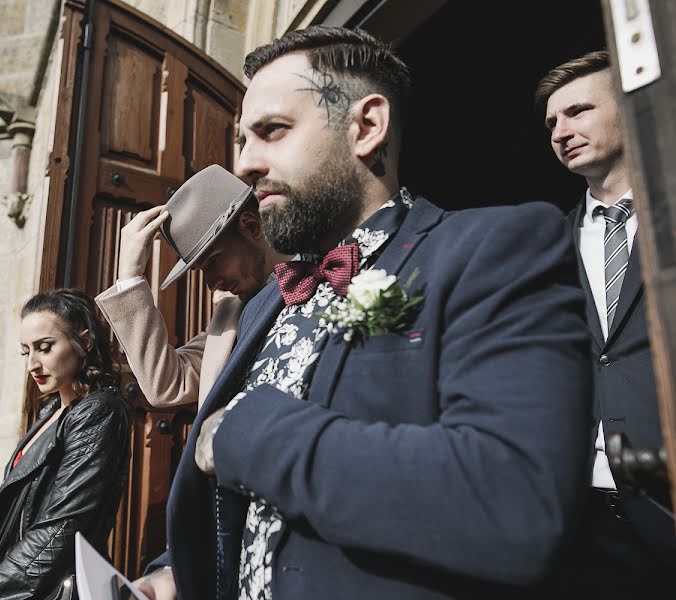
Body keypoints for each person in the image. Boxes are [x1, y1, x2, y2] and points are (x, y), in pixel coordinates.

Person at [136, 26, 592, 600]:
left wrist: (246, 434)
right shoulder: (266, 303)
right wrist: (176, 571)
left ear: (367, 127)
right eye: (241, 140)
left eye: (272, 131)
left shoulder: (493, 250)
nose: (245, 164)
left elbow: (515, 499)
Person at [535, 50, 676, 594]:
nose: (560, 131)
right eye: (551, 123)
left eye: (577, 112)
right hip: (582, 512)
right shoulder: (546, 242)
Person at [0, 289, 130, 600]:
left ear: (84, 342)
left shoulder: (98, 412)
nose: (32, 364)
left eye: (44, 348)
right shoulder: (50, 413)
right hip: (12, 583)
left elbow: (61, 526)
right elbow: (16, 513)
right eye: (25, 351)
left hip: (51, 589)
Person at [95, 164, 287, 409]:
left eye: (213, 261)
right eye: (201, 270)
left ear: (251, 226)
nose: (211, 283)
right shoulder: (229, 318)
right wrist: (130, 277)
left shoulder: (337, 269)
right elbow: (165, 385)